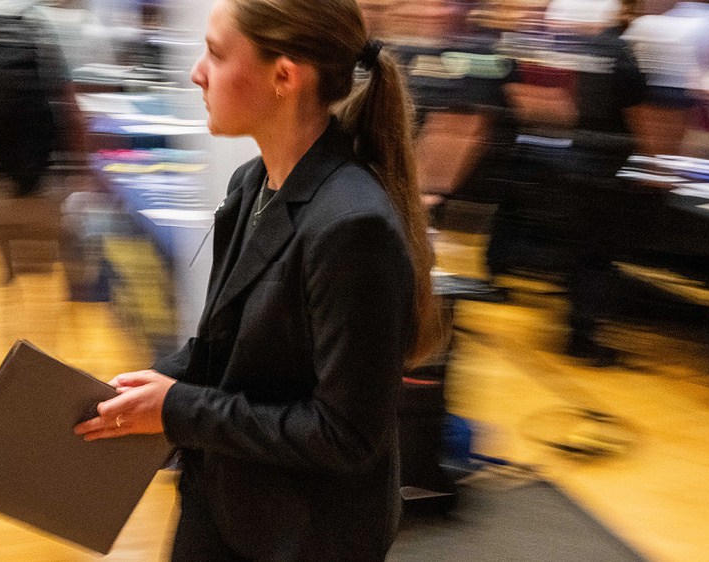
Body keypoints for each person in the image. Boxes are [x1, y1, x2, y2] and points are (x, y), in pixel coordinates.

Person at [74, 0, 442, 559]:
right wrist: (145, 387)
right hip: (227, 502)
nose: (197, 72)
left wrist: (177, 409)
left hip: (302, 536)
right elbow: (229, 348)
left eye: (216, 54)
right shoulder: (251, 184)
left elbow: (347, 434)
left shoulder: (353, 225)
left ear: (284, 77)